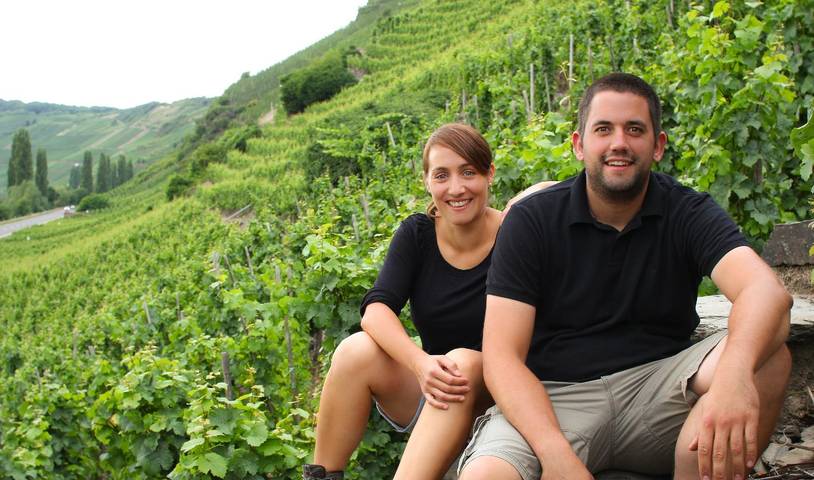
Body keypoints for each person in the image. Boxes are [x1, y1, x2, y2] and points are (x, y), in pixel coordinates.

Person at [457, 73, 792, 480]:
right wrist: (558, 457)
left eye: (635, 129)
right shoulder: (532, 221)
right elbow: (501, 357)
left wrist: (734, 376)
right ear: (579, 145)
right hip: (556, 399)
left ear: (658, 146)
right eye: (603, 129)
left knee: (767, 358)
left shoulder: (686, 211)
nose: (619, 143)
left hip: (659, 394)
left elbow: (765, 291)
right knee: (486, 476)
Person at [304, 123, 508, 480]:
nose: (456, 188)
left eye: (469, 172)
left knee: (458, 364)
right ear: (427, 181)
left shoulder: (515, 233)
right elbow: (376, 310)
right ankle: (321, 476)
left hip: (500, 398)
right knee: (356, 351)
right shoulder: (418, 234)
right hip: (440, 393)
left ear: (490, 174)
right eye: (442, 175)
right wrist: (419, 363)